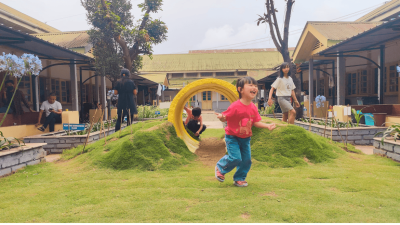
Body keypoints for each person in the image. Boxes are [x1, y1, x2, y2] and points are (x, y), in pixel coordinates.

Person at [214, 77, 276, 187]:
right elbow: (225, 116)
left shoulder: (253, 107)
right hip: (232, 137)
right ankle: (220, 168)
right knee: (236, 158)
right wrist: (222, 117)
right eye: (250, 85)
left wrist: (267, 126)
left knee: (246, 160)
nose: (254, 88)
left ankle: (239, 178)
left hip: (246, 139)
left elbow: (256, 122)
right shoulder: (235, 106)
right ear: (240, 89)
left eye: (255, 86)